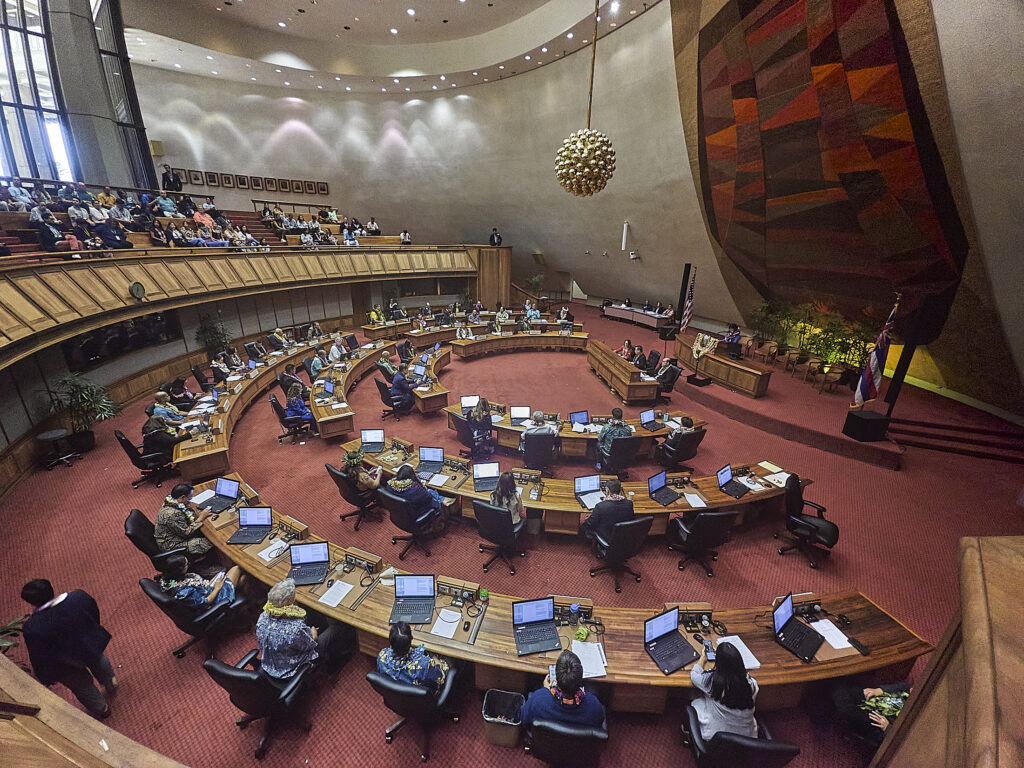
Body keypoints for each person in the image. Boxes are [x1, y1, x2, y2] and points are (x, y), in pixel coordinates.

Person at [20, 579, 116, 719]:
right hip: (89, 644)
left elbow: (39, 654)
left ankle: (101, 709)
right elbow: (93, 613)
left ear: (31, 602)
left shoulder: (32, 627)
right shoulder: (78, 597)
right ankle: (111, 683)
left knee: (82, 687)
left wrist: (45, 676)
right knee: (101, 663)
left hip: (66, 665)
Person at [256, 578, 346, 679]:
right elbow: (311, 643)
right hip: (291, 670)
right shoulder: (295, 629)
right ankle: (335, 661)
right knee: (336, 626)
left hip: (270, 665)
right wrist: (313, 633)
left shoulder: (262, 618)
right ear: (290, 601)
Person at [688, 640, 758, 741]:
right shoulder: (751, 684)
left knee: (695, 699)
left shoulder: (712, 683)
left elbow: (694, 675)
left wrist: (703, 658)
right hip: (747, 737)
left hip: (717, 736)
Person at [521, 649, 605, 731]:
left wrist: (545, 690)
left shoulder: (538, 699)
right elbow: (598, 724)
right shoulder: (594, 705)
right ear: (581, 680)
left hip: (546, 739)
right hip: (580, 740)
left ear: (556, 679)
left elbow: (524, 721)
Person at [831, 680, 911, 747]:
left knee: (846, 708)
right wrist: (880, 690)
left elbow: (903, 740)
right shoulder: (910, 691)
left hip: (880, 719)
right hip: (876, 699)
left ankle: (851, 726)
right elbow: (905, 685)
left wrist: (888, 728)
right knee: (840, 685)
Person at [377, 621, 451, 694]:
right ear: (412, 638)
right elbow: (440, 678)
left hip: (396, 695)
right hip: (422, 698)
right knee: (450, 659)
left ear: (390, 642)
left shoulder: (382, 656)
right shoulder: (424, 665)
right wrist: (434, 657)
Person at [158, 555, 241, 610]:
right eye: (187, 564)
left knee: (242, 578)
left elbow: (195, 589)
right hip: (212, 602)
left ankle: (240, 605)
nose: (189, 565)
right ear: (180, 570)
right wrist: (217, 588)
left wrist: (205, 585)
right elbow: (205, 602)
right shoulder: (184, 592)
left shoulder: (167, 580)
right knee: (237, 568)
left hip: (205, 590)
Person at [154, 482, 214, 557]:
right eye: (189, 498)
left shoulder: (169, 502)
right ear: (183, 497)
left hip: (172, 535)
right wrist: (200, 518)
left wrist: (186, 507)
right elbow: (186, 533)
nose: (190, 500)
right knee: (209, 542)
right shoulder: (173, 514)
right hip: (171, 545)